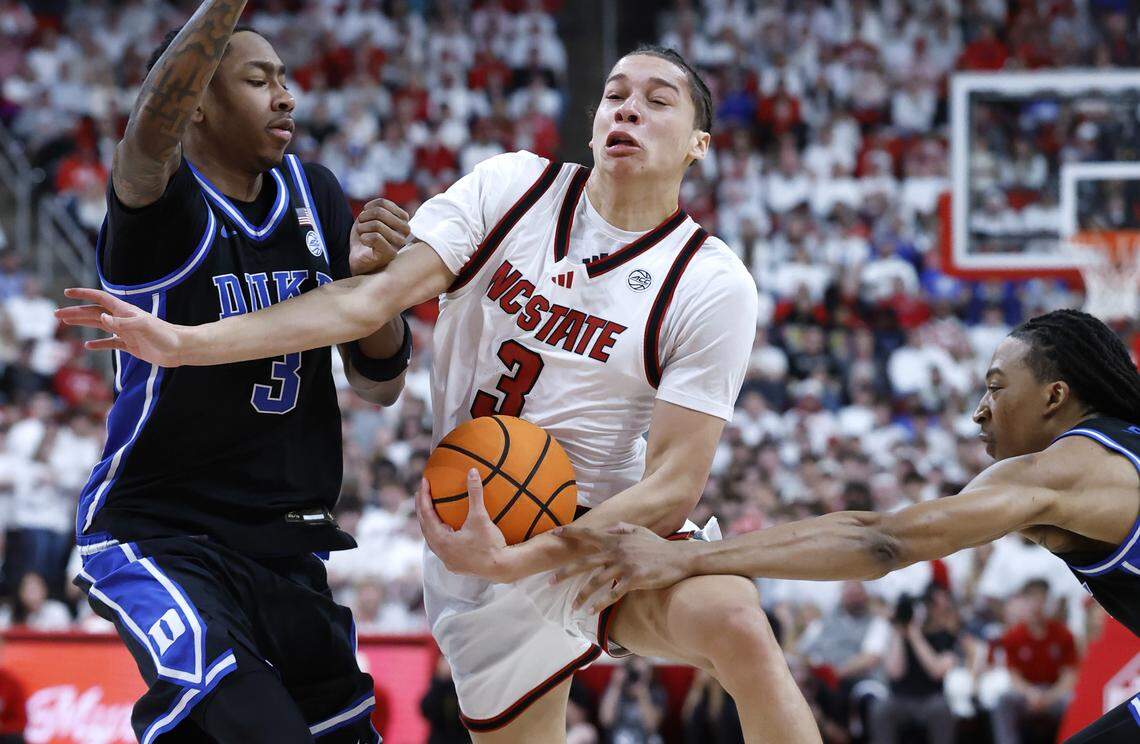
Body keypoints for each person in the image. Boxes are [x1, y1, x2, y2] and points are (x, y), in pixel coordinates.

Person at [59, 45, 821, 743]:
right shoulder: (511, 189)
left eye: (658, 100)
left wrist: (534, 557)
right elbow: (364, 307)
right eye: (616, 93)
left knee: (736, 621)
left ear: (699, 143)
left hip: (596, 529)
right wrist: (187, 343)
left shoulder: (713, 282)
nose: (628, 107)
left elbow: (674, 488)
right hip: (472, 538)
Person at [60, 2, 411, 742]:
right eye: (258, 80)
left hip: (286, 546)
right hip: (163, 533)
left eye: (285, 79)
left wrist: (375, 287)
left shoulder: (316, 195)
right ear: (196, 106)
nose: (286, 97)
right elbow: (147, 132)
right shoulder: (162, 211)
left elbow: (381, 385)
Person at [551, 308, 1140, 743]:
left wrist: (689, 557)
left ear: (1054, 395)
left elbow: (880, 541)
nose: (978, 410)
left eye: (995, 387)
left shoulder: (1065, 471)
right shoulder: (1057, 471)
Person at [990, 579, 1077, 744]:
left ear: (1049, 602)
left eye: (1042, 599)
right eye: (1032, 599)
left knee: (1073, 701)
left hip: (1053, 692)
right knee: (1003, 700)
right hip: (1026, 693)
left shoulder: (1064, 634)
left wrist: (1050, 697)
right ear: (1024, 602)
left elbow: (1069, 676)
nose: (1037, 605)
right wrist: (1030, 694)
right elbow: (1014, 676)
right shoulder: (1013, 636)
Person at [869, 587, 959, 744]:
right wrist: (898, 631)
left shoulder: (943, 637)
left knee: (941, 709)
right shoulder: (895, 636)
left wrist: (915, 634)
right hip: (900, 699)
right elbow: (895, 672)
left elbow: (936, 671)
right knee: (881, 709)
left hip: (931, 698)